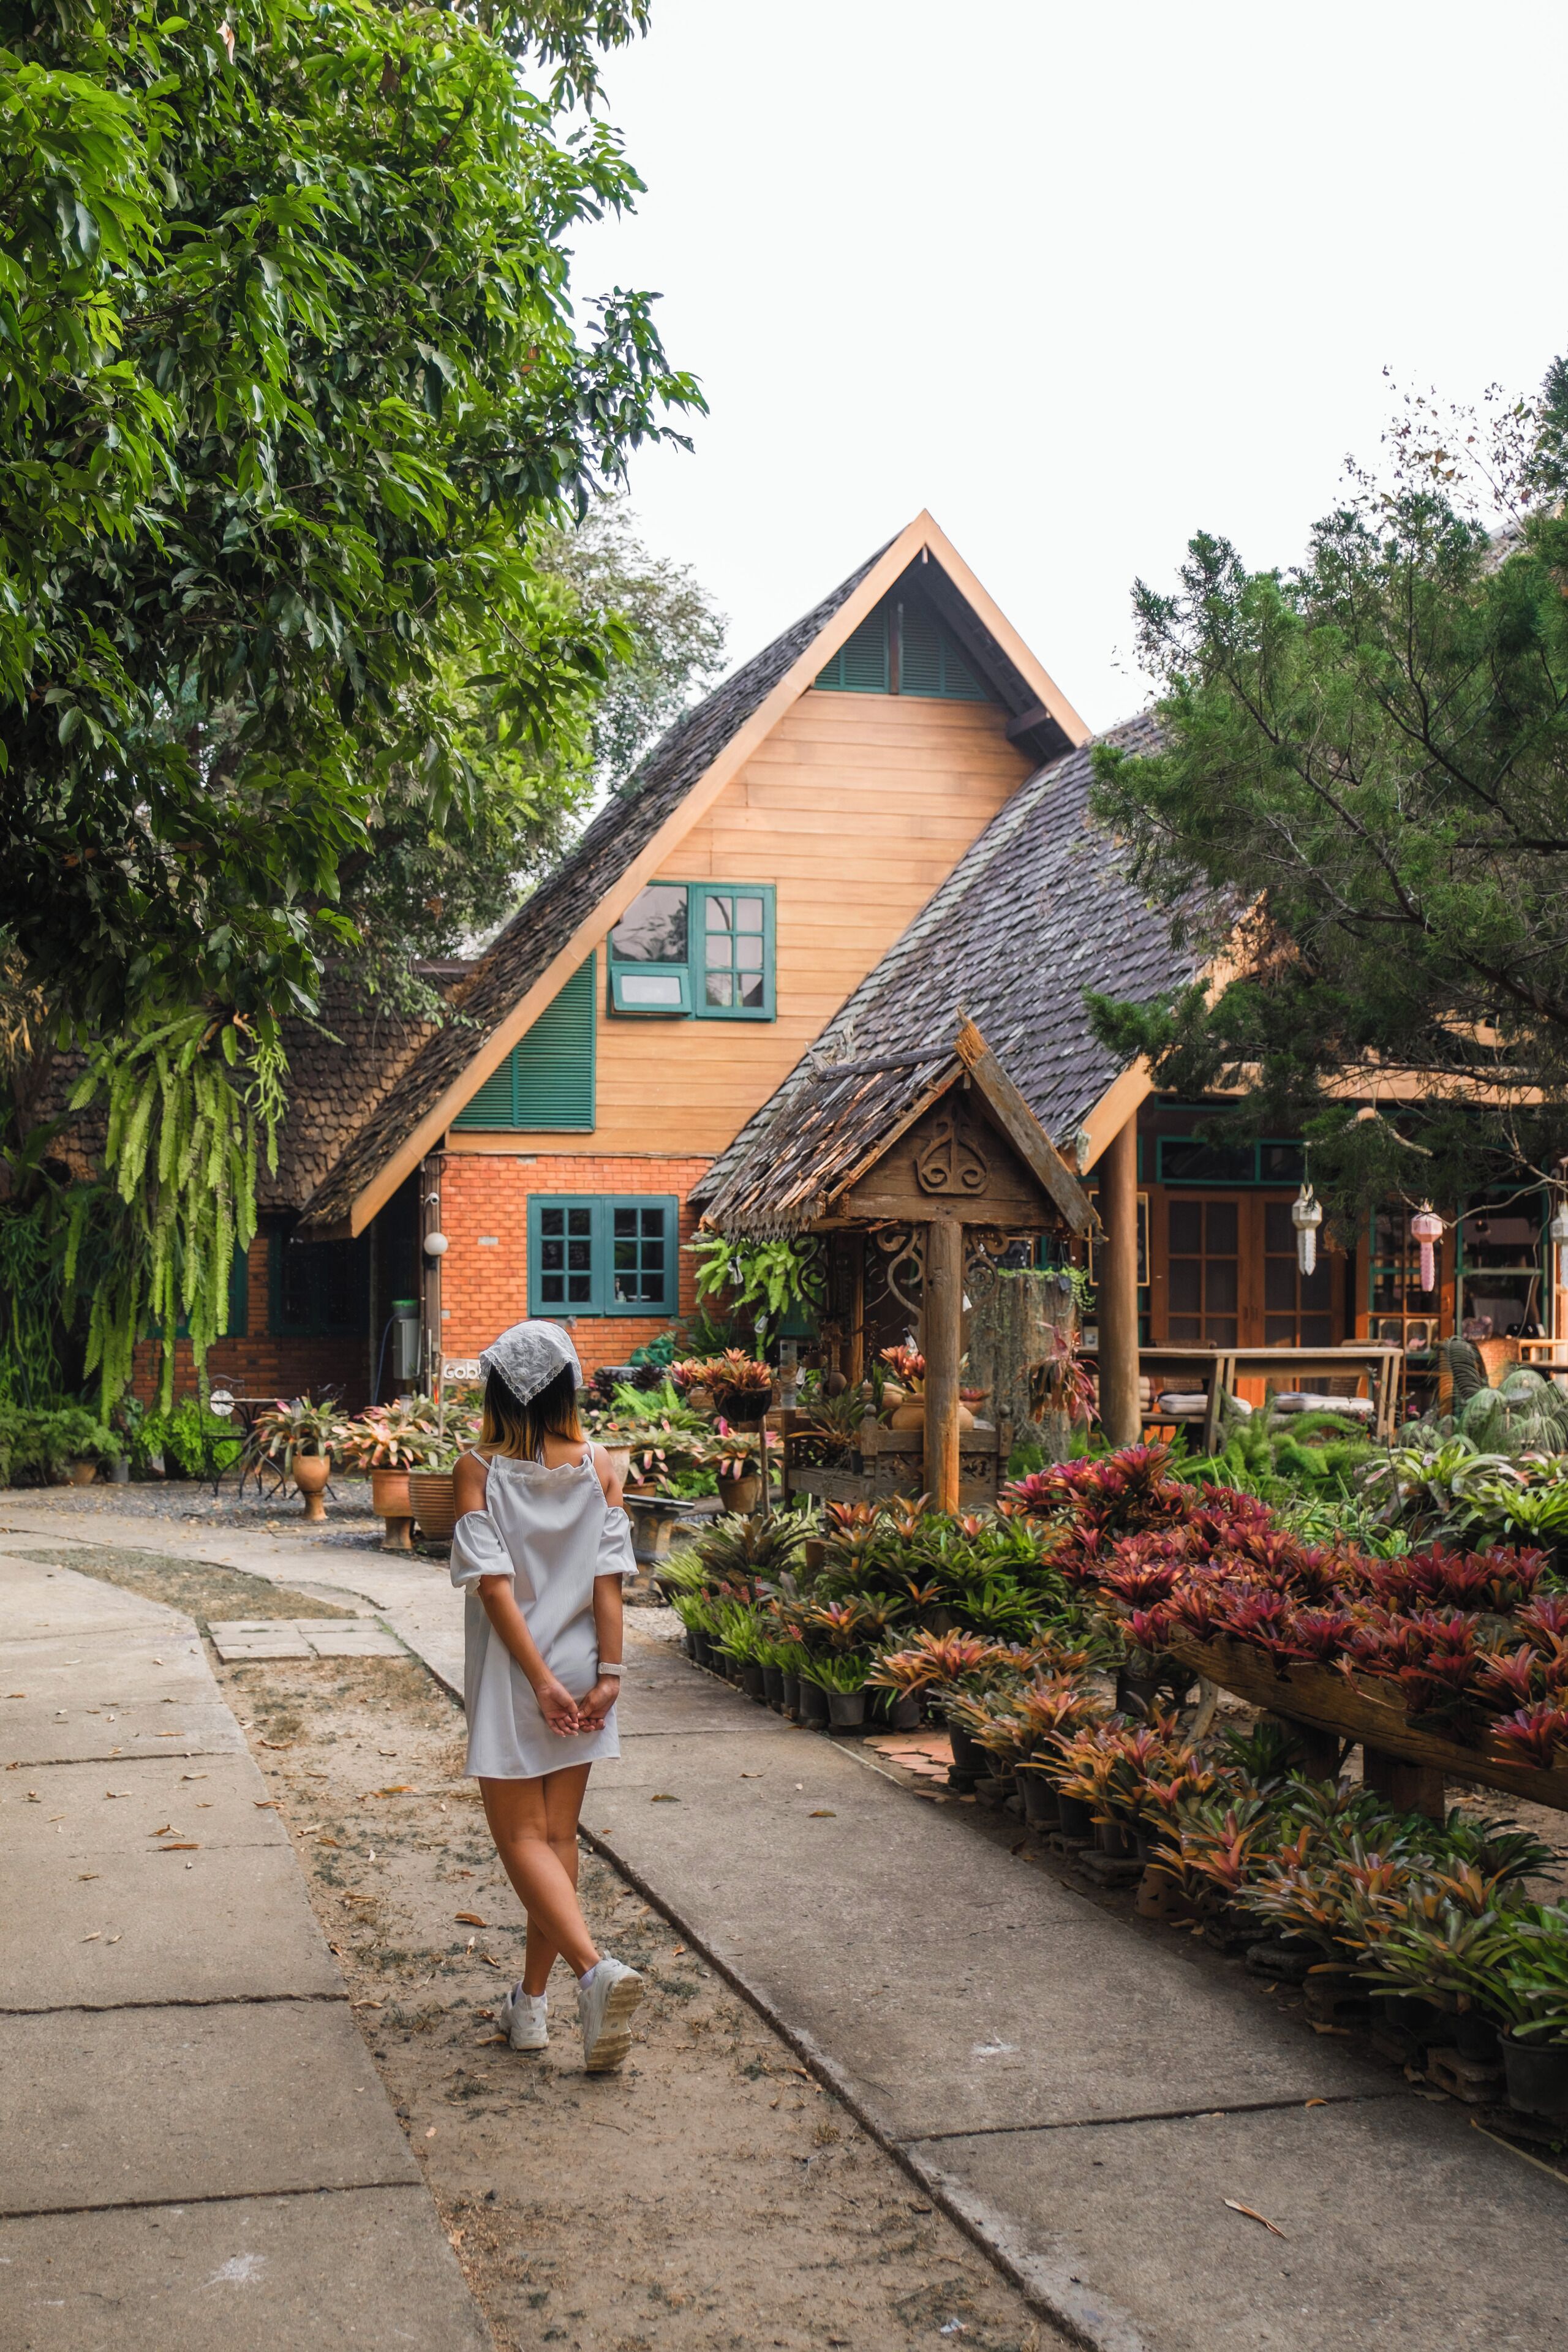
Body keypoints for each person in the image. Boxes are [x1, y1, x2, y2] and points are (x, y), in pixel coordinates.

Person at [450, 1320, 644, 2071]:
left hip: (517, 1669)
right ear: (568, 1387)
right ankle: (529, 2007)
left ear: (497, 1390)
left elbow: (495, 1590)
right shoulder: (600, 1465)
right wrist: (609, 1677)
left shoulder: (478, 1470)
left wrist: (538, 1681)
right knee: (557, 1839)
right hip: (583, 1663)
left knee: (521, 1840)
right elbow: (609, 1582)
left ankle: (594, 1973)